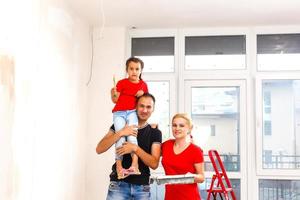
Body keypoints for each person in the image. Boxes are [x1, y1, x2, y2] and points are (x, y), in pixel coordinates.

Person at [96, 93, 162, 200]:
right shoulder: (120, 125)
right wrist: (121, 132)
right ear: (135, 106)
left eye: (148, 107)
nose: (144, 110)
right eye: (141, 106)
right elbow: (99, 149)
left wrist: (135, 148)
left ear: (153, 109)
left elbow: (154, 163)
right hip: (118, 185)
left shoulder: (155, 132)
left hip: (142, 187)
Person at [110, 57, 148, 179]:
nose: (134, 71)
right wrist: (113, 94)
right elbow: (115, 100)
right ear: (127, 70)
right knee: (120, 138)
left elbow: (146, 102)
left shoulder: (143, 85)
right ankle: (119, 166)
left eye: (137, 69)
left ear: (141, 71)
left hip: (132, 112)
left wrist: (143, 94)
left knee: (132, 136)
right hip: (119, 113)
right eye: (131, 69)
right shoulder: (121, 83)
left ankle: (134, 165)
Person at [161, 113, 205, 200]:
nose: (177, 128)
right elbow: (152, 156)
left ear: (189, 129)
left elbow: (201, 177)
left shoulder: (195, 150)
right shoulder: (166, 145)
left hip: (189, 197)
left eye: (181, 125)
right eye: (174, 125)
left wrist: (189, 177)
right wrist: (153, 131)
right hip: (170, 196)